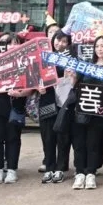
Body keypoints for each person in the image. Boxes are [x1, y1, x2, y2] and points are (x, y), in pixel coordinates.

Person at [73, 32, 103, 190]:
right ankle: (79, 173)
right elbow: (75, 85)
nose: (99, 49)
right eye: (97, 46)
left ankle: (91, 173)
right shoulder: (86, 66)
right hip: (82, 110)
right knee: (79, 143)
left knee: (94, 143)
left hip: (99, 112)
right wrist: (72, 77)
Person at [0, 33, 26, 184]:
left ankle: (12, 169)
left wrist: (20, 93)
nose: (12, 46)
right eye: (9, 43)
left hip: (16, 105)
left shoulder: (26, 62)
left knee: (13, 138)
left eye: (16, 43)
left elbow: (32, 85)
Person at [39, 31, 73, 183]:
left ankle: (60, 168)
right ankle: (49, 168)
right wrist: (38, 87)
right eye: (58, 40)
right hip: (46, 99)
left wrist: (67, 76)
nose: (60, 44)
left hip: (63, 101)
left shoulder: (70, 59)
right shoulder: (43, 57)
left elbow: (72, 80)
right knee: (47, 136)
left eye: (64, 41)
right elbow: (34, 76)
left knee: (63, 136)